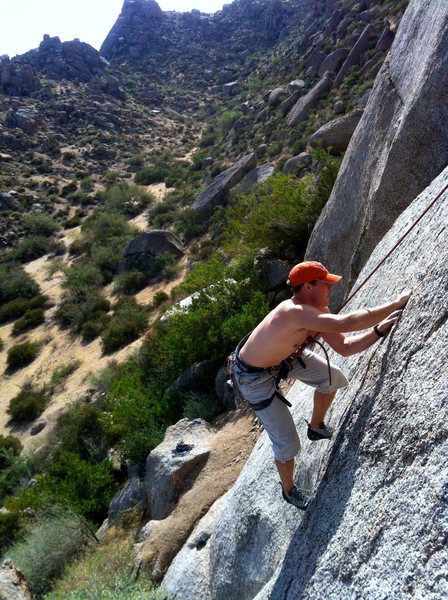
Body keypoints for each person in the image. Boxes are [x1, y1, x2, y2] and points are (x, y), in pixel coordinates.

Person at [229, 261, 411, 510]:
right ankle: (289, 490)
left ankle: (315, 427)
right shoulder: (293, 311)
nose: (330, 289)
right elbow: (345, 323)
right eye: (325, 284)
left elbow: (345, 347)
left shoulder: (315, 310)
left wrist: (377, 331)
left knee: (332, 379)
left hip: (283, 360)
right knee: (287, 443)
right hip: (254, 378)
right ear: (307, 287)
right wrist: (396, 303)